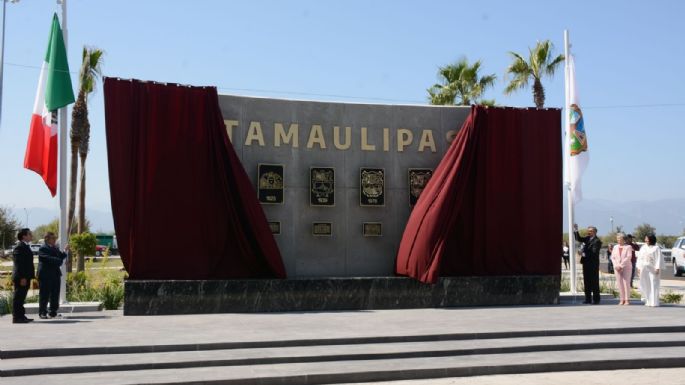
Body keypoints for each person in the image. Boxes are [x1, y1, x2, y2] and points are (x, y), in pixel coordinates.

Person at [37, 232, 68, 319]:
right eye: (53, 238)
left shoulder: (55, 248)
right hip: (45, 275)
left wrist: (65, 251)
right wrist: (59, 260)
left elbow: (60, 257)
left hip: (55, 274)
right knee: (44, 294)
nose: (55, 240)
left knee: (55, 294)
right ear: (47, 239)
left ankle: (53, 312)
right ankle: (42, 312)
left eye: (55, 238)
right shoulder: (43, 248)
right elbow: (49, 259)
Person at [574, 224, 602, 304]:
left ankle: (596, 299)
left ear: (595, 232)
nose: (589, 232)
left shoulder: (597, 241)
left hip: (593, 264)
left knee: (594, 282)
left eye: (591, 231)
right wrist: (576, 230)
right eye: (588, 231)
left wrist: (583, 253)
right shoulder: (587, 238)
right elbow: (578, 238)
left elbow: (594, 252)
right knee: (587, 282)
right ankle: (588, 299)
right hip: (586, 263)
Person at [12, 228, 35, 324]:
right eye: (29, 234)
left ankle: (21, 316)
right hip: (21, 277)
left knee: (22, 298)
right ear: (24, 236)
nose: (31, 236)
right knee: (18, 297)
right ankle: (16, 317)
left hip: (26, 277)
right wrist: (22, 277)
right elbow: (19, 264)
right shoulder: (19, 247)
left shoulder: (25, 246)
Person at [636, 234, 664, 307]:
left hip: (653, 269)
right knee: (646, 284)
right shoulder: (643, 248)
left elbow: (659, 259)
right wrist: (638, 267)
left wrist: (657, 267)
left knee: (654, 284)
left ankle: (654, 302)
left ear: (651, 240)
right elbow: (640, 258)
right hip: (644, 268)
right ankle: (648, 300)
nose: (646, 241)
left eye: (647, 239)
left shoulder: (656, 248)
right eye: (645, 239)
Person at [611, 233, 634, 305]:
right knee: (619, 283)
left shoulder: (628, 247)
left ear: (624, 239)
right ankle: (622, 299)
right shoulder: (615, 247)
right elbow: (612, 257)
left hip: (626, 267)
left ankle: (627, 299)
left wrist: (621, 265)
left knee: (626, 283)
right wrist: (616, 265)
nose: (618, 240)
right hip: (617, 268)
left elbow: (628, 257)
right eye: (617, 239)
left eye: (620, 239)